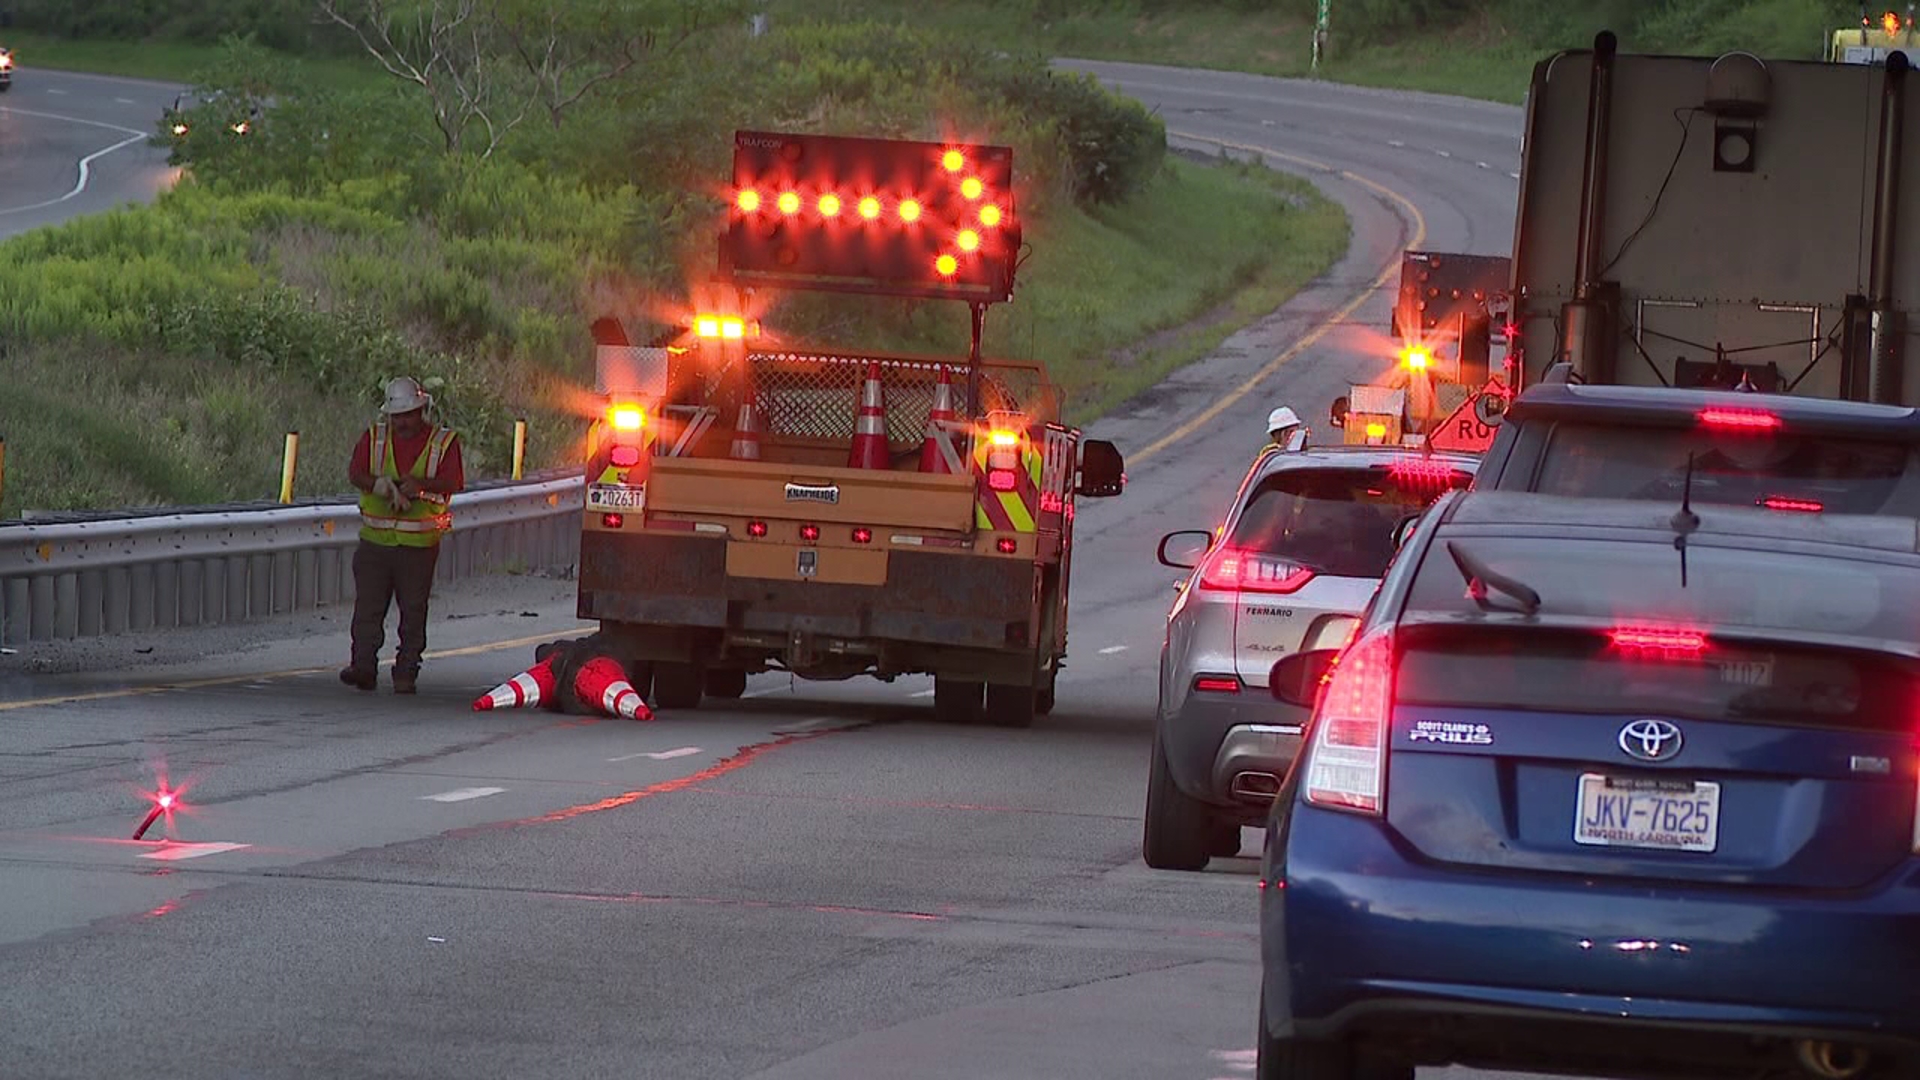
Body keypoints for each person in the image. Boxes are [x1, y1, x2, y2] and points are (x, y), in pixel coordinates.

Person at [339, 377, 465, 694]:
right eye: (397, 416)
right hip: (375, 542)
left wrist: (421, 485)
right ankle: (364, 667)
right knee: (367, 608)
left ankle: (407, 669)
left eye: (408, 415)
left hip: (418, 546)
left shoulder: (443, 442)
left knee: (413, 610)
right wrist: (378, 484)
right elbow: (356, 473)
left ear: (422, 410)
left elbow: (454, 481)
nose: (403, 422)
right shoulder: (374, 437)